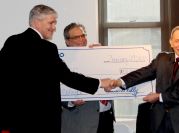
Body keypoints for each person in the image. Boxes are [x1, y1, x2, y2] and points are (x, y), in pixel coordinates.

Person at [0, 5, 113, 133]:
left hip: (15, 119)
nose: (54, 28)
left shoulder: (12, 42)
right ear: (37, 22)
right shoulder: (47, 48)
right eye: (51, 23)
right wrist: (101, 83)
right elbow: (68, 77)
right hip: (42, 121)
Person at [111, 26, 179, 133]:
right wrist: (119, 82)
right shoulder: (162, 58)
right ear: (171, 42)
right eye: (177, 41)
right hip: (158, 121)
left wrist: (159, 97)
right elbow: (143, 73)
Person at [61, 22, 115, 133]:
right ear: (67, 41)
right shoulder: (60, 61)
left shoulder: (96, 54)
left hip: (106, 117)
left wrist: (104, 55)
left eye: (83, 35)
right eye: (77, 37)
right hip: (80, 122)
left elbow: (112, 77)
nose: (82, 39)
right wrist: (70, 102)